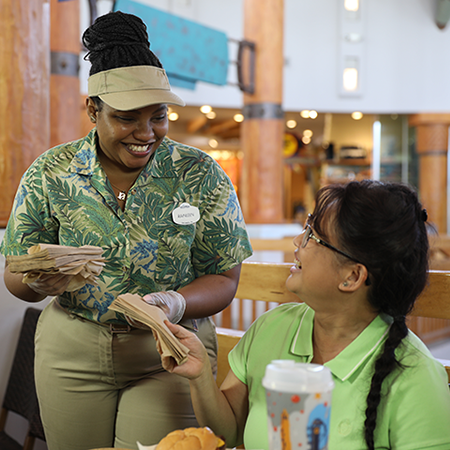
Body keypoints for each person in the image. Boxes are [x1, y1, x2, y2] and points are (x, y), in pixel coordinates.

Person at [0, 11, 252, 450]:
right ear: (93, 109)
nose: (145, 133)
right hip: (72, 349)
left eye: (158, 116)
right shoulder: (50, 172)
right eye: (127, 118)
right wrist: (38, 280)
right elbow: (15, 277)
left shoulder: (198, 174)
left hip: (170, 351)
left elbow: (225, 278)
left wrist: (174, 302)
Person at [161, 180, 450, 450]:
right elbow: (230, 432)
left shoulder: (416, 378)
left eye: (313, 236)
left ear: (351, 276)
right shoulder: (273, 327)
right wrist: (199, 375)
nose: (298, 241)